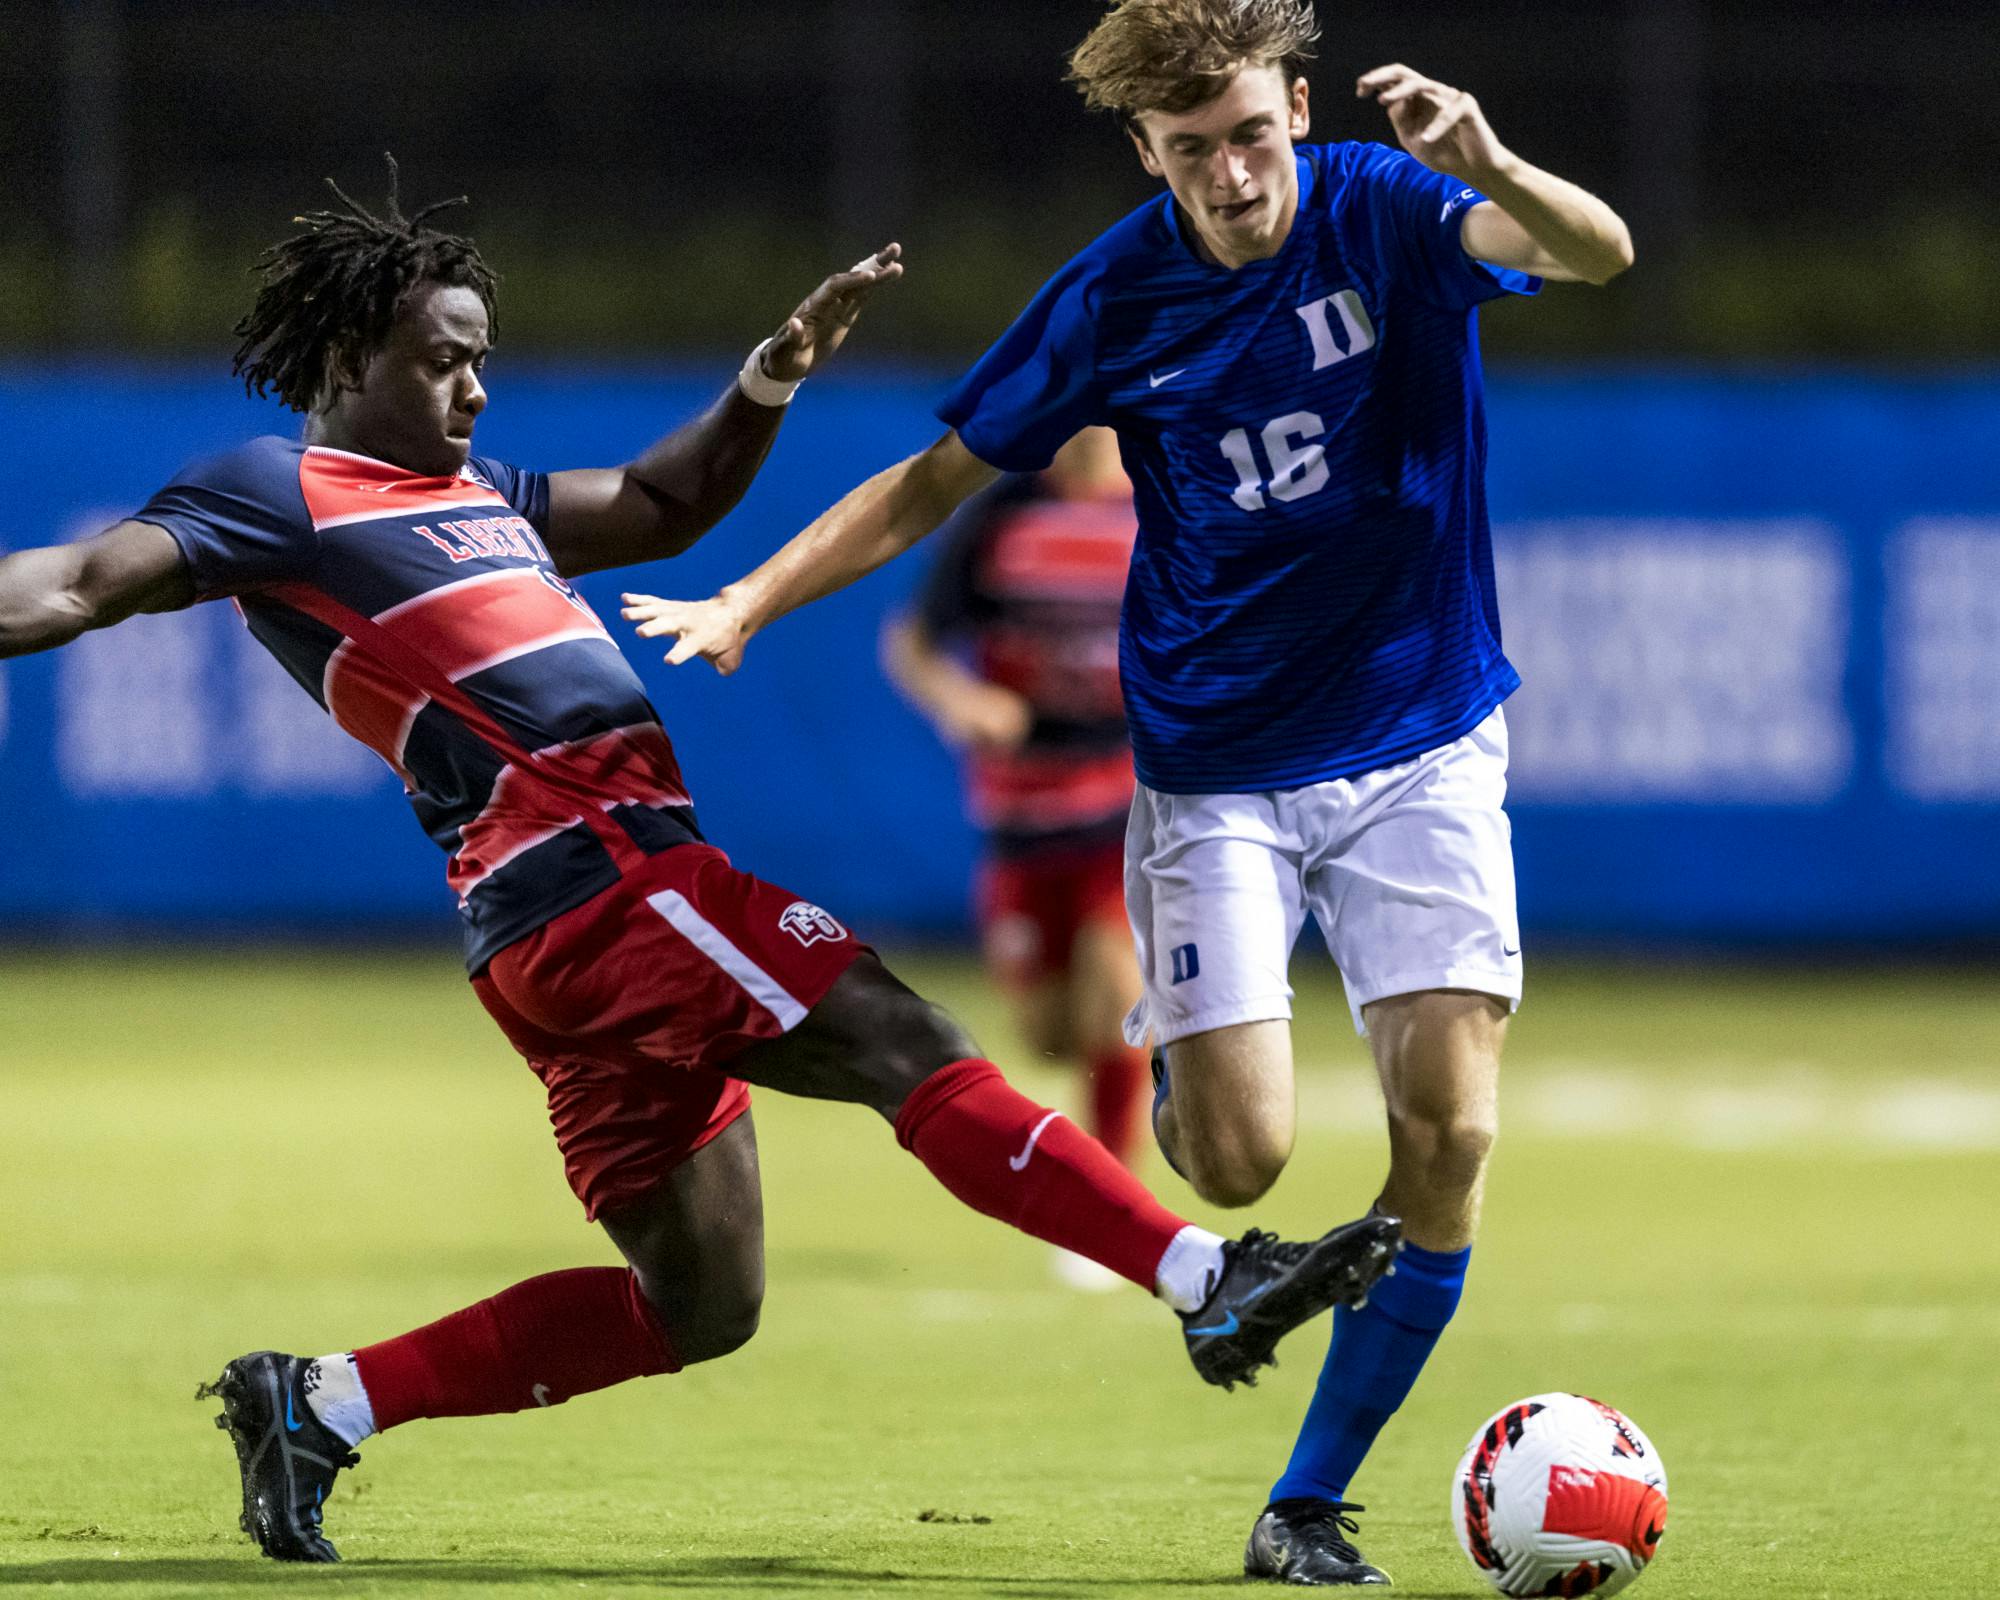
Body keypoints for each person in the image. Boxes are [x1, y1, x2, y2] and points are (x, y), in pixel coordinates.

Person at [0, 169, 1399, 1566]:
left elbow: (665, 504)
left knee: (702, 1302)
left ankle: (321, 1404)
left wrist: (767, 383)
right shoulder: (278, 491)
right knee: (898, 1035)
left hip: (553, 927)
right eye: (442, 361)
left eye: (482, 360)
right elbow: (75, 582)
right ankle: (1206, 1277)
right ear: (348, 358)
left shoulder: (476, 490)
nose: (474, 390)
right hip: (604, 871)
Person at [621, 0, 1633, 1584]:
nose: (1233, 177)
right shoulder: (1109, 295)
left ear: (1294, 104)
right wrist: (746, 600)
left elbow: (1598, 254)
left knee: (1448, 1134)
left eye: (1249, 134)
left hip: (1420, 740)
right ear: (1144, 153)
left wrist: (1486, 152)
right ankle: (1174, 1059)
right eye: (1190, 152)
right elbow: (931, 482)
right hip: (1218, 773)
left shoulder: (1387, 202)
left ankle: (1304, 1506)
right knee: (1235, 1166)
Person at [881, 425, 1149, 1289]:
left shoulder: (1165, 504)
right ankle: (1139, 1062)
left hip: (1129, 793)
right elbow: (914, 643)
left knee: (1115, 988)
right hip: (1023, 804)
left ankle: (1109, 1211)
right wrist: (962, 700)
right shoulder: (1007, 511)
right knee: (1047, 1031)